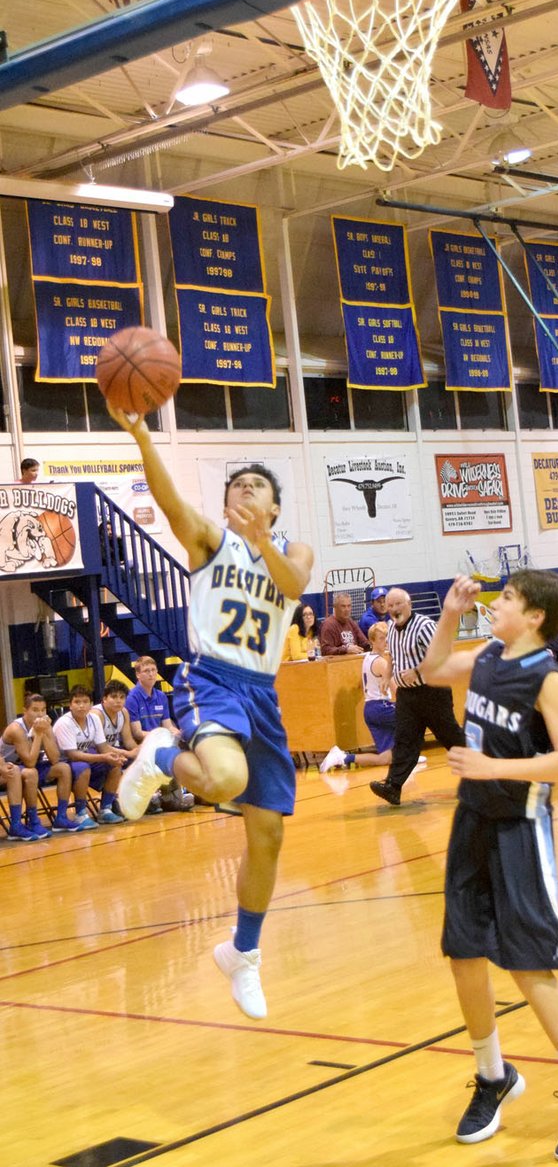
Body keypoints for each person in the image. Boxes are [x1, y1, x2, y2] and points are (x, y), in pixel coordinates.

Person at [109, 402, 313, 1021]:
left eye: (255, 486)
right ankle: (161, 753)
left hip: (262, 693)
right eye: (235, 487)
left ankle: (242, 954)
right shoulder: (211, 540)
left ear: (273, 507)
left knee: (269, 835)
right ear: (226, 506)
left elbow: (295, 586)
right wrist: (144, 435)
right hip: (213, 680)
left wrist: (261, 542)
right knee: (226, 779)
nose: (244, 491)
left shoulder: (293, 549)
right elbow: (169, 501)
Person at [418, 570, 558, 1161]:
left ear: (534, 616)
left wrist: (493, 769)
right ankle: (493, 1075)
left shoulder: (547, 677)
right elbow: (433, 671)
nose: (496, 603)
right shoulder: (486, 654)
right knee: (463, 952)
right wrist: (452, 616)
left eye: (506, 598)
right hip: (472, 820)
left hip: (521, 828)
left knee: (529, 963)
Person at [369, 586, 462, 806]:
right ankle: (393, 786)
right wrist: (387, 676)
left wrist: (417, 671)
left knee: (450, 736)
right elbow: (391, 654)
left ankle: (481, 774)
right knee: (404, 739)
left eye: (397, 604)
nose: (393, 609)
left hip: (432, 691)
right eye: (390, 606)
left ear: (409, 604)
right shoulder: (391, 627)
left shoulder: (424, 626)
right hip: (407, 696)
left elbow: (440, 654)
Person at [320, 620, 412, 772]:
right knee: (413, 717)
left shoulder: (367, 658)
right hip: (380, 708)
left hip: (371, 710)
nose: (386, 642)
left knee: (385, 758)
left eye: (387, 638)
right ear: (372, 641)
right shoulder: (381, 662)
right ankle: (409, 755)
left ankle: (343, 758)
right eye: (382, 638)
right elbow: (397, 691)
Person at [2, 693, 78, 836]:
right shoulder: (16, 729)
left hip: (28, 766)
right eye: (35, 710)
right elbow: (29, 762)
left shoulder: (44, 724)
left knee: (63, 768)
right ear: (25, 711)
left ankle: (61, 817)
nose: (40, 714)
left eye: (43, 710)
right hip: (9, 768)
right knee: (31, 773)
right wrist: (38, 734)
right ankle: (31, 821)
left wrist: (45, 732)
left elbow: (55, 758)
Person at [53, 685, 128, 826]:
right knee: (83, 767)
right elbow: (73, 755)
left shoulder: (93, 718)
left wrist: (115, 756)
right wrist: (103, 757)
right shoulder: (64, 723)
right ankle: (80, 813)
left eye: (85, 701)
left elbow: (103, 747)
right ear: (70, 705)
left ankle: (106, 810)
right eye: (77, 702)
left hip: (83, 758)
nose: (81, 706)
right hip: (63, 762)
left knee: (115, 765)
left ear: (91, 704)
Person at [125, 656, 189, 812]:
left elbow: (168, 725)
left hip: (159, 739)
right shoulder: (132, 698)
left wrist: (178, 733)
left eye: (153, 670)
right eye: (146, 671)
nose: (151, 674)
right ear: (138, 675)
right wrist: (161, 736)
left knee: (187, 743)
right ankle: (170, 797)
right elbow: (138, 733)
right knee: (166, 751)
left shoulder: (161, 696)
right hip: (141, 744)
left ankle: (194, 789)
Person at [92, 680, 138, 759]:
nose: (118, 701)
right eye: (114, 697)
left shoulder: (123, 712)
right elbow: (101, 747)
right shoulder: (97, 714)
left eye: (122, 697)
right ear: (104, 699)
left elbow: (128, 741)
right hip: (93, 752)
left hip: (111, 750)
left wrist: (139, 750)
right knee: (116, 763)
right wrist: (128, 753)